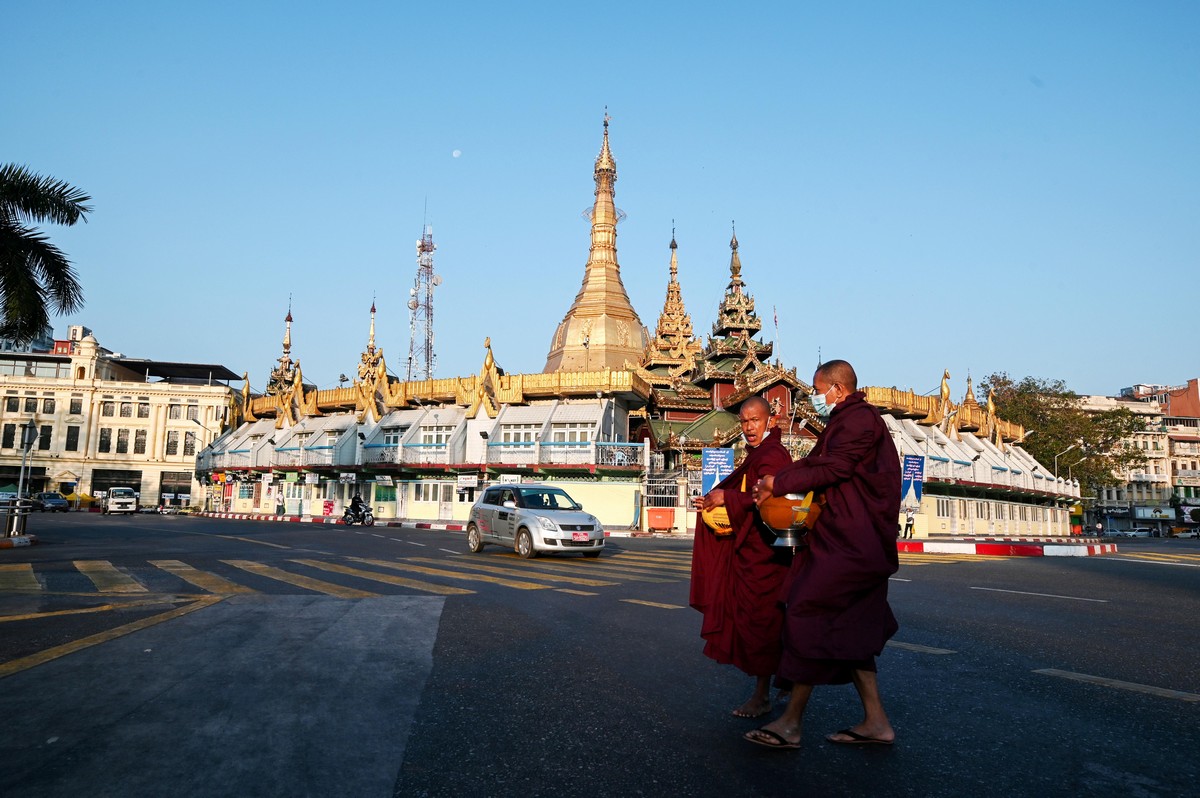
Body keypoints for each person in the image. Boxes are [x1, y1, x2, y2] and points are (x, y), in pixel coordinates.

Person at [745, 359, 901, 750]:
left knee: (806, 613)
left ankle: (791, 723)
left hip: (852, 543)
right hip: (849, 540)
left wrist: (777, 480)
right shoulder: (843, 422)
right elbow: (816, 462)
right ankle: (877, 722)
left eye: (817, 390)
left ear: (838, 389)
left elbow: (833, 467)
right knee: (853, 629)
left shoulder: (859, 420)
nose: (814, 398)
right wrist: (776, 483)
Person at [689, 395, 793, 719]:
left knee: (763, 624)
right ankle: (785, 678)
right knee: (767, 623)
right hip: (755, 550)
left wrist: (726, 496)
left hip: (766, 556)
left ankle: (763, 696)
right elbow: (751, 494)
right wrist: (714, 501)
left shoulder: (773, 454)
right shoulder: (759, 454)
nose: (748, 428)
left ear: (770, 421)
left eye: (755, 421)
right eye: (744, 421)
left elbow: (767, 494)